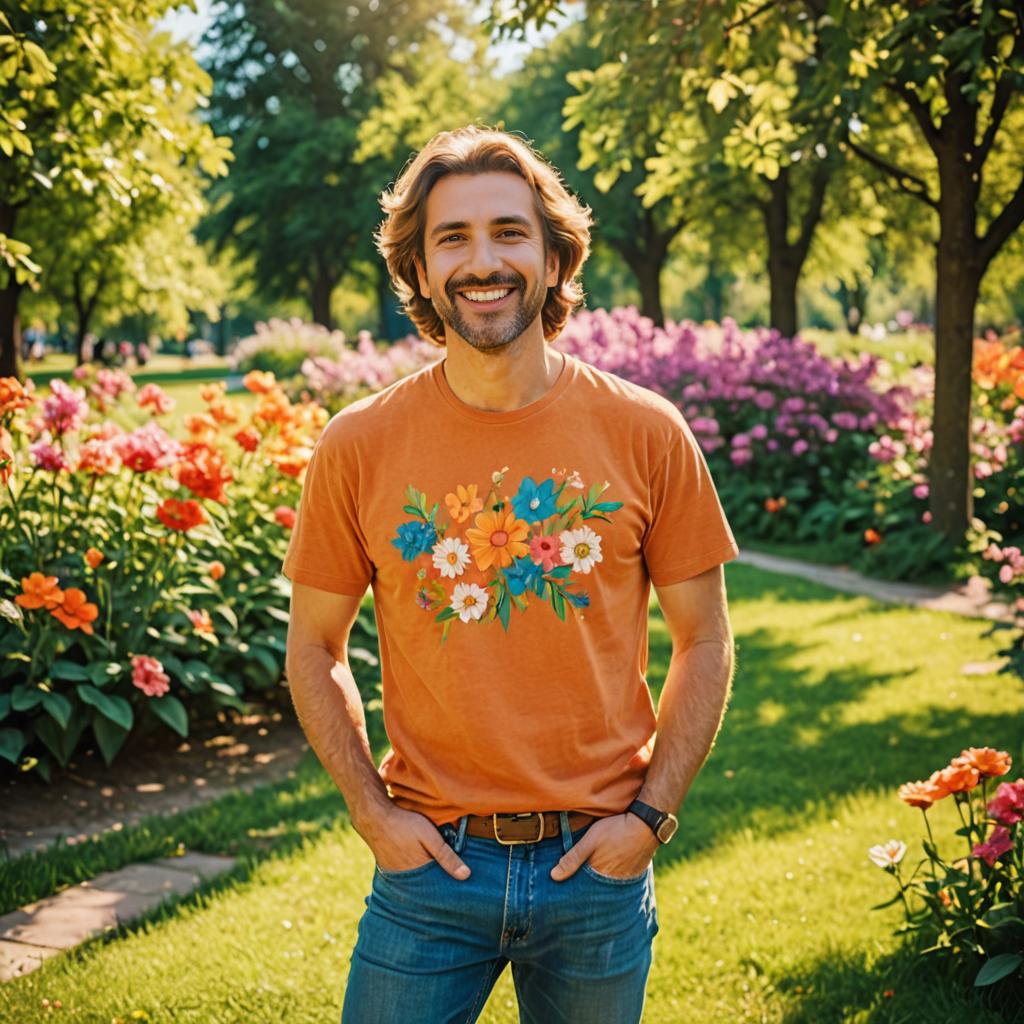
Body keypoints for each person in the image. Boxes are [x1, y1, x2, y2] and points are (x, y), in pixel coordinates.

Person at [282, 125, 738, 1023]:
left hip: (596, 873)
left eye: (508, 232)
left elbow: (707, 639)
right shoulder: (358, 445)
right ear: (416, 268)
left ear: (554, 254)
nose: (481, 261)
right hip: (429, 876)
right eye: (452, 237)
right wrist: (374, 817)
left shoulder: (647, 432)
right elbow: (314, 646)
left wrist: (647, 822)